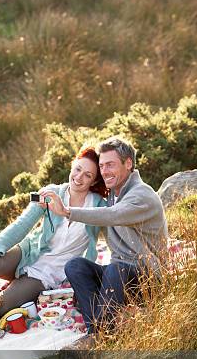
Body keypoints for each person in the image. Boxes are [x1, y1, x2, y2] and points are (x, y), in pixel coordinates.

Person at [41, 136, 168, 334]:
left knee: (115, 270)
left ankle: (97, 334)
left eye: (110, 165)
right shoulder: (112, 195)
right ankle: (100, 328)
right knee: (75, 266)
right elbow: (92, 203)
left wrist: (67, 211)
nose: (105, 171)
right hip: (119, 276)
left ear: (128, 164)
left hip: (148, 280)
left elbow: (113, 215)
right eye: (102, 166)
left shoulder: (142, 195)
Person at [0, 147, 108, 316]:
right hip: (28, 252)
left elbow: (117, 229)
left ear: (93, 181)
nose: (79, 177)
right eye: (78, 169)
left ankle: (16, 288)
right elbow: (22, 224)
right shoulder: (52, 192)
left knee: (1, 308)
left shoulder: (99, 205)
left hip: (49, 273)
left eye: (88, 175)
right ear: (72, 166)